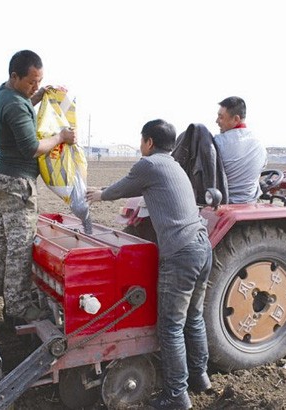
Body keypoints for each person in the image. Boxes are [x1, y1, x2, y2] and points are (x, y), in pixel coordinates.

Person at [87, 119, 212, 410]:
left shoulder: (149, 165)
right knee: (193, 317)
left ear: (149, 143)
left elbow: (122, 188)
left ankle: (176, 395)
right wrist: (106, 190)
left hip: (181, 253)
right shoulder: (173, 166)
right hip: (202, 247)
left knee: (170, 327)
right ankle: (200, 377)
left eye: (141, 140)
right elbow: (137, 190)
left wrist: (99, 194)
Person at [0, 50, 76, 323]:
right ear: (15, 76)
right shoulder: (14, 104)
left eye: (39, 81)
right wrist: (61, 136)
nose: (35, 87)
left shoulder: (4, 93)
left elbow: (24, 102)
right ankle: (17, 308)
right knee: (20, 246)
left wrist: (40, 96)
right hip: (18, 184)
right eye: (31, 82)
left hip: (5, 178)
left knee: (3, 238)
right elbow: (32, 148)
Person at [214, 96, 268, 203]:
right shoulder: (260, 144)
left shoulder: (217, 143)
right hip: (250, 205)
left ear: (236, 119)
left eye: (221, 117)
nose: (217, 121)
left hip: (224, 204)